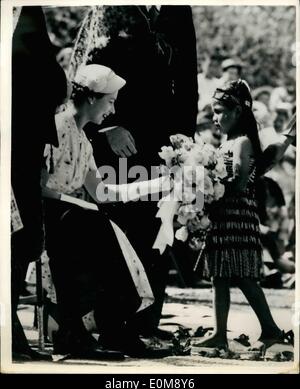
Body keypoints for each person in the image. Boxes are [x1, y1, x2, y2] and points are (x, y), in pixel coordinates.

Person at [83, 5, 198, 339]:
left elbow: (187, 79)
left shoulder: (179, 10)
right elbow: (89, 69)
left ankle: (144, 324)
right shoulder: (111, 8)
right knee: (119, 231)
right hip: (118, 140)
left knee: (157, 232)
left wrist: (185, 144)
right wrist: (106, 129)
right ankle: (111, 325)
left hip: (164, 146)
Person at [42, 64, 173, 359]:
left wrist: (160, 185)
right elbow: (37, 187)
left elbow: (103, 192)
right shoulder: (56, 127)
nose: (113, 111)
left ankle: (115, 327)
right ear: (92, 98)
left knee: (102, 224)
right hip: (48, 215)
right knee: (93, 222)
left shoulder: (83, 139)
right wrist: (78, 204)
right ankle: (76, 332)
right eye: (110, 101)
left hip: (75, 217)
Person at [196, 80, 291, 354]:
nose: (215, 118)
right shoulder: (226, 143)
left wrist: (209, 184)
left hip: (237, 214)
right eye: (213, 111)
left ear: (237, 112)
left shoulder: (242, 142)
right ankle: (218, 334)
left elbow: (238, 183)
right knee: (220, 276)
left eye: (219, 111)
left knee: (243, 275)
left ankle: (270, 328)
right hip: (224, 215)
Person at [11, 6, 67, 361]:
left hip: (18, 160)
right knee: (22, 244)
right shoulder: (35, 57)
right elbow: (58, 89)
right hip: (21, 164)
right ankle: (12, 334)